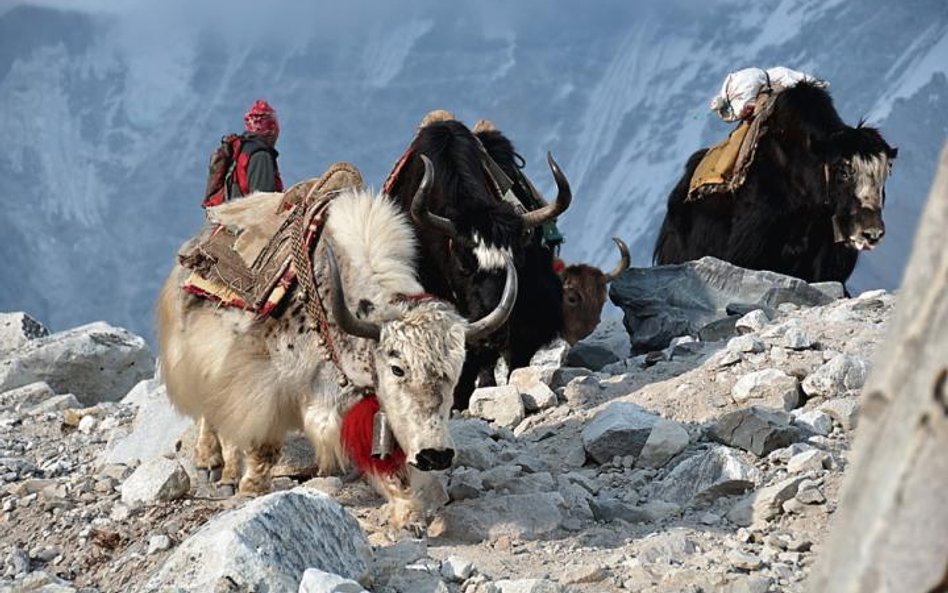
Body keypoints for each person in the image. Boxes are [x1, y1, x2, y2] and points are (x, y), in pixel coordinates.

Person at [227, 99, 284, 198]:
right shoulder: (260, 156)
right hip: (247, 212)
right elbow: (262, 201)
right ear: (272, 129)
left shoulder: (239, 151)